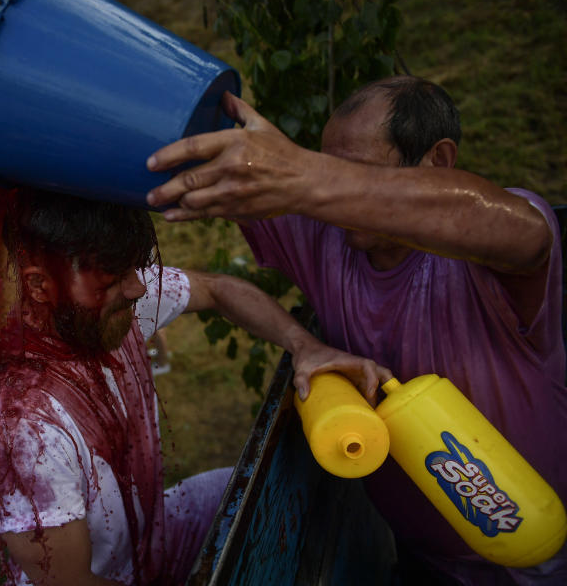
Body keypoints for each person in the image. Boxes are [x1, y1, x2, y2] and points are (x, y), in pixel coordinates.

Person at [145, 77, 567, 584]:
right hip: (423, 559)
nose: (330, 189)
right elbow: (183, 150)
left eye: (352, 171)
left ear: (438, 161)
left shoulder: (494, 246)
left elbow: (521, 231)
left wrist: (307, 177)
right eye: (327, 166)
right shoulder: (325, 234)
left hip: (540, 551)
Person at [0, 187, 389, 585]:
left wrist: (305, 346)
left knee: (271, 488)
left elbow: (217, 290)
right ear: (39, 285)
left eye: (133, 269)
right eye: (114, 278)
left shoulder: (108, 309)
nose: (138, 287)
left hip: (154, 536)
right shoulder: (21, 429)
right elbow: (69, 582)